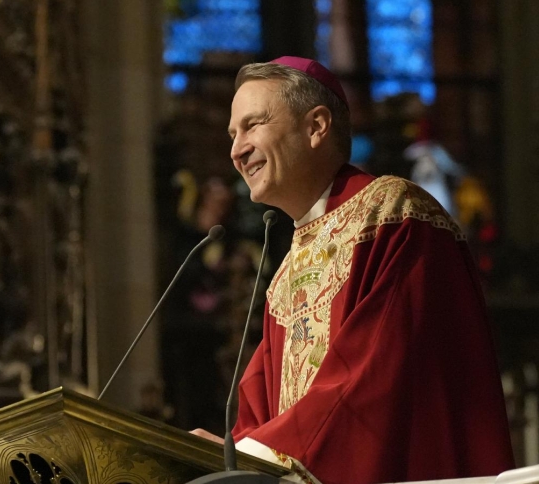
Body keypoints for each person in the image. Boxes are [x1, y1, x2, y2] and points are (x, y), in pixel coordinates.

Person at [191, 57, 514, 484]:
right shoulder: (289, 269)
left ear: (316, 126)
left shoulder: (393, 214)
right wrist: (227, 454)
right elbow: (258, 408)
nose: (236, 150)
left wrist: (253, 453)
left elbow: (376, 373)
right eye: (233, 134)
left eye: (253, 125)